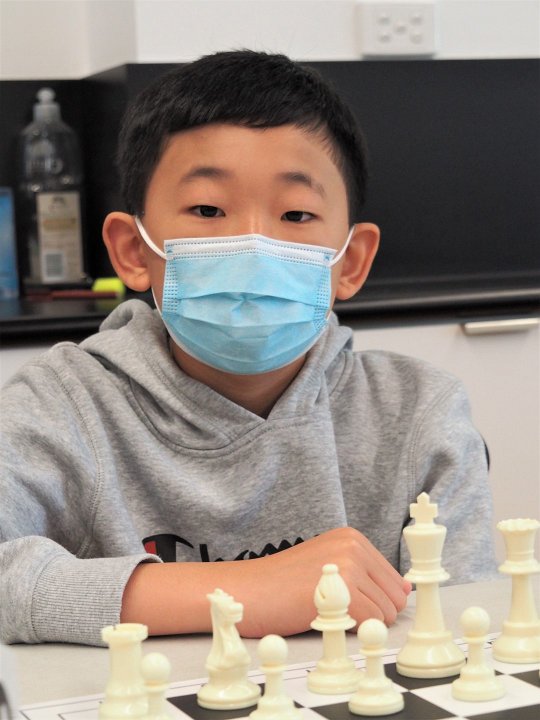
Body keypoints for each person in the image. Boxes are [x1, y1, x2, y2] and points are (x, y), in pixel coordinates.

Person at [0, 50, 497, 647]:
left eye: (297, 213)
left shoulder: (419, 414)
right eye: (208, 209)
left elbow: (467, 623)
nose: (253, 245)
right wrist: (247, 591)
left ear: (351, 261)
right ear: (133, 249)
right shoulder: (60, 405)